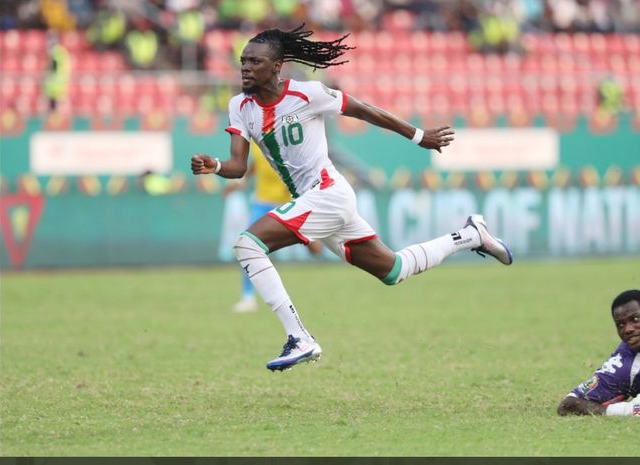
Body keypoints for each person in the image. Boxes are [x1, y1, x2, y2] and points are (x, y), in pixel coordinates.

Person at [191, 24, 513, 372]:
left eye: (254, 61)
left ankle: (299, 338)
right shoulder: (239, 105)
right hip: (314, 202)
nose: (246, 68)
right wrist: (216, 165)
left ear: (277, 65)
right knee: (394, 270)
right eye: (243, 61)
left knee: (248, 245)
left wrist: (419, 136)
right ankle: (470, 235)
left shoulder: (307, 93)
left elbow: (363, 109)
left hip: (329, 194)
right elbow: (238, 167)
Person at [557, 290, 640, 416]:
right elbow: (567, 405)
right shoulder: (622, 366)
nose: (628, 329)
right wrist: (625, 410)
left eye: (635, 319)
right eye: (620, 325)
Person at [223, 142, 322, 313]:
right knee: (245, 245)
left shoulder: (287, 142)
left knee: (316, 248)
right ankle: (248, 297)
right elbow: (257, 164)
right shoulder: (255, 141)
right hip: (262, 204)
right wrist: (241, 182)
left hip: (288, 205)